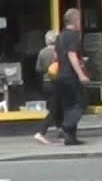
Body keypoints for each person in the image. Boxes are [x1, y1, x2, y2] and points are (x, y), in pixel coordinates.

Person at [55, 8, 91, 146]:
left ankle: (70, 138)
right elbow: (72, 55)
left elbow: (56, 56)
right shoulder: (73, 35)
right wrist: (81, 74)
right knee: (81, 104)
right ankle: (66, 126)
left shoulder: (60, 36)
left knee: (68, 106)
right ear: (75, 20)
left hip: (61, 75)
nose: (80, 22)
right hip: (71, 76)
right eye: (79, 19)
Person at [33, 30, 63, 144]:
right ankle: (41, 132)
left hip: (46, 83)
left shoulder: (42, 52)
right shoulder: (59, 52)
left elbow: (38, 69)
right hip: (56, 83)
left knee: (56, 107)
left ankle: (61, 132)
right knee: (55, 109)